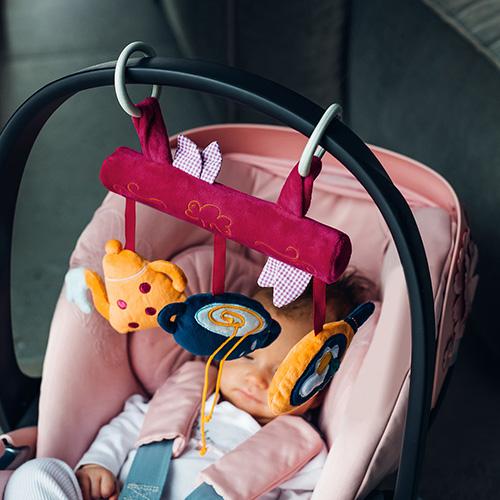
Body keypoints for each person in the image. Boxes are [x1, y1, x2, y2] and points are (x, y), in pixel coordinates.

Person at [5, 271, 372, 500]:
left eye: (283, 373)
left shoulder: (303, 451)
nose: (257, 379)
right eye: (246, 356)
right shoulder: (186, 395)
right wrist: (97, 464)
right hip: (121, 493)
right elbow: (127, 425)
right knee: (38, 475)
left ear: (317, 388)